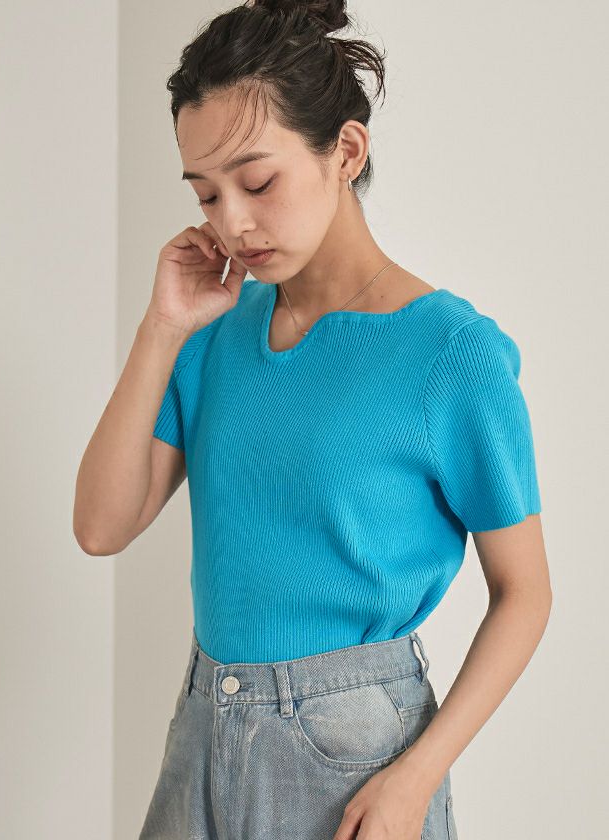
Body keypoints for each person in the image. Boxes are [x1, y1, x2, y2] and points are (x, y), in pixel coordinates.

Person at [73, 2, 552, 838]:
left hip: (354, 758)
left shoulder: (451, 354)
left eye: (257, 183)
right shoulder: (213, 334)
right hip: (202, 733)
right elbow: (100, 527)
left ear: (346, 151)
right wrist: (162, 327)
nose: (232, 222)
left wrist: (417, 778)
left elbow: (526, 594)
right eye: (207, 194)